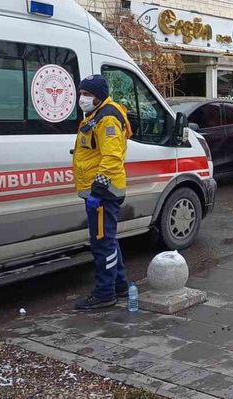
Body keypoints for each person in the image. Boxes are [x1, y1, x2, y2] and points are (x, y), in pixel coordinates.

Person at [72, 74, 133, 310]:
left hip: (104, 192)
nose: (82, 98)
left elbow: (112, 158)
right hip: (100, 191)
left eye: (87, 94)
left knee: (102, 244)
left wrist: (97, 191)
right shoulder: (97, 115)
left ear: (99, 96)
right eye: (81, 93)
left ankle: (104, 293)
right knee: (108, 240)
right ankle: (119, 286)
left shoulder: (107, 119)